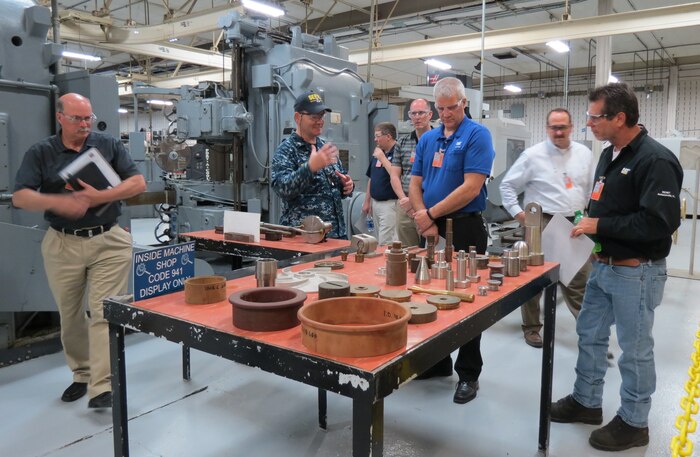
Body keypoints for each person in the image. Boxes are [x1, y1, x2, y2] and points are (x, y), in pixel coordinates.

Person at [551, 83, 682, 451]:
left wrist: (601, 226)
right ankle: (586, 401)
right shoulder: (611, 155)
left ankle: (634, 422)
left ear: (619, 117)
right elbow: (606, 207)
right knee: (589, 334)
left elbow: (660, 223)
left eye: (594, 117)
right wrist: (588, 224)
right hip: (604, 266)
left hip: (636, 272)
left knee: (635, 349)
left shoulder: (655, 160)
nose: (588, 124)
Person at [12, 93, 146, 409]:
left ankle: (102, 386)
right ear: (60, 118)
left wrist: (99, 197)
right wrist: (58, 202)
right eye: (77, 118)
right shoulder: (41, 153)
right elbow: (21, 197)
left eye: (88, 118)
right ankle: (82, 374)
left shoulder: (108, 145)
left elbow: (137, 183)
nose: (85, 124)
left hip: (108, 241)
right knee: (70, 316)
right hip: (63, 243)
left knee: (103, 311)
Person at [409, 77, 495, 404]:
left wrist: (430, 214)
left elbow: (471, 187)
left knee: (467, 300)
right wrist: (424, 217)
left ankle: (468, 373)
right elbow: (415, 181)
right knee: (429, 294)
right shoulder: (429, 139)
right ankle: (438, 362)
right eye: (440, 108)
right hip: (430, 227)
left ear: (464, 103)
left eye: (451, 107)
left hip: (465, 227)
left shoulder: (477, 135)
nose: (445, 114)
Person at [500, 108, 595, 348]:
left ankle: (589, 335)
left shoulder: (584, 153)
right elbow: (507, 186)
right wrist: (520, 215)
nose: (559, 132)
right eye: (554, 127)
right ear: (547, 128)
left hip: (574, 222)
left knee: (578, 280)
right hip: (540, 223)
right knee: (534, 279)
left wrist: (588, 217)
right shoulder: (533, 155)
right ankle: (532, 328)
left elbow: (592, 189)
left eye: (563, 127)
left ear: (572, 127)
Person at [271, 90, 354, 239]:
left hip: (335, 235)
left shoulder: (326, 148)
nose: (320, 121)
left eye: (322, 116)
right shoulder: (286, 150)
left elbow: (338, 183)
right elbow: (282, 188)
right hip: (305, 238)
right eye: (314, 116)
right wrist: (310, 168)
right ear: (298, 117)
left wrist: (346, 186)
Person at [389, 99, 433, 247]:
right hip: (405, 206)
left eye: (421, 113)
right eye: (413, 113)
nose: (417, 117)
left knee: (431, 250)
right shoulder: (402, 142)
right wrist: (404, 200)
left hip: (430, 205)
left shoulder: (440, 141)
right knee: (408, 251)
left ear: (430, 115)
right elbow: (394, 175)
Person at [363, 122, 399, 245]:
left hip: (390, 204)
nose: (375, 139)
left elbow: (396, 175)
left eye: (378, 136)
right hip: (376, 204)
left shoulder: (397, 152)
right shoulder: (378, 153)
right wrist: (367, 201)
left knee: (386, 241)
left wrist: (383, 158)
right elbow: (371, 177)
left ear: (388, 136)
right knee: (378, 240)